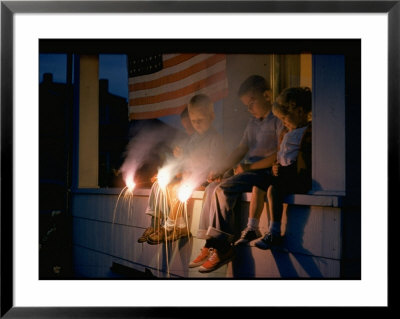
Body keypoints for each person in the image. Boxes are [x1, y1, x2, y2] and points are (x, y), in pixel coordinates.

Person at [189, 75, 283, 272]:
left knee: (225, 188)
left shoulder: (278, 121)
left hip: (265, 173)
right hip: (250, 172)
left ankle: (223, 246)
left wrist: (248, 168)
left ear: (267, 95)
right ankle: (210, 243)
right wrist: (222, 168)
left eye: (251, 103)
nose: (249, 109)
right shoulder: (252, 123)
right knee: (212, 187)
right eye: (246, 106)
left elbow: (278, 154)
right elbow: (241, 148)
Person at [141, 94, 227, 245]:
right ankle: (174, 226)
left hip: (204, 181)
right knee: (165, 184)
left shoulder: (215, 139)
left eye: (200, 120)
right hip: (189, 178)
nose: (197, 124)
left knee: (179, 189)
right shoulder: (193, 139)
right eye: (194, 121)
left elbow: (216, 164)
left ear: (211, 116)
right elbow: (185, 161)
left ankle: (170, 226)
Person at [254, 87, 312, 250]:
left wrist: (287, 170)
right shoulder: (286, 133)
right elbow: (282, 155)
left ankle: (274, 231)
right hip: (284, 174)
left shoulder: (309, 132)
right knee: (259, 182)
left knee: (273, 190)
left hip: (297, 176)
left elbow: (304, 159)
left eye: (285, 117)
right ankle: (252, 226)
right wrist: (275, 167)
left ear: (299, 111)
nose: (283, 122)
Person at [137, 107, 194, 243]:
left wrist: (177, 171)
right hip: (181, 177)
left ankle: (172, 226)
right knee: (158, 184)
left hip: (191, 180)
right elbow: (176, 165)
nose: (188, 129)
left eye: (190, 125)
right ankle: (155, 225)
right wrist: (163, 173)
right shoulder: (185, 142)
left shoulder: (198, 142)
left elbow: (192, 168)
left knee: (175, 189)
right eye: (185, 126)